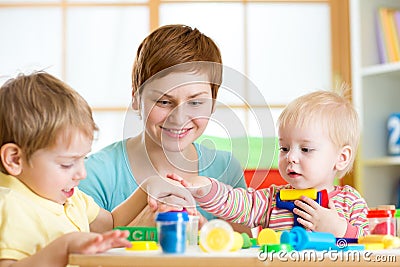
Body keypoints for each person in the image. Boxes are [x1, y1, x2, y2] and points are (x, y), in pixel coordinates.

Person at [78, 24, 247, 227]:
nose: (179, 118)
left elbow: (242, 249)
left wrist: (203, 234)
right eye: (164, 102)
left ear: (213, 102)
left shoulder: (227, 169)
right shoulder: (94, 173)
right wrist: (141, 227)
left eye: (195, 102)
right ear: (135, 98)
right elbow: (80, 253)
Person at [166, 89, 369, 238]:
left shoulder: (350, 202)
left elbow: (370, 246)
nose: (291, 157)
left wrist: (340, 230)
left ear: (341, 158)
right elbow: (238, 203)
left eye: (305, 149)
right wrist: (205, 189)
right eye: (284, 148)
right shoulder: (271, 200)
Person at [0, 72, 153, 267]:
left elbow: (112, 223)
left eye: (83, 158)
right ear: (14, 159)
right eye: (67, 163)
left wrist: (148, 187)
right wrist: (64, 248)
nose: (82, 173)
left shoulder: (72, 198)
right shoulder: (9, 206)